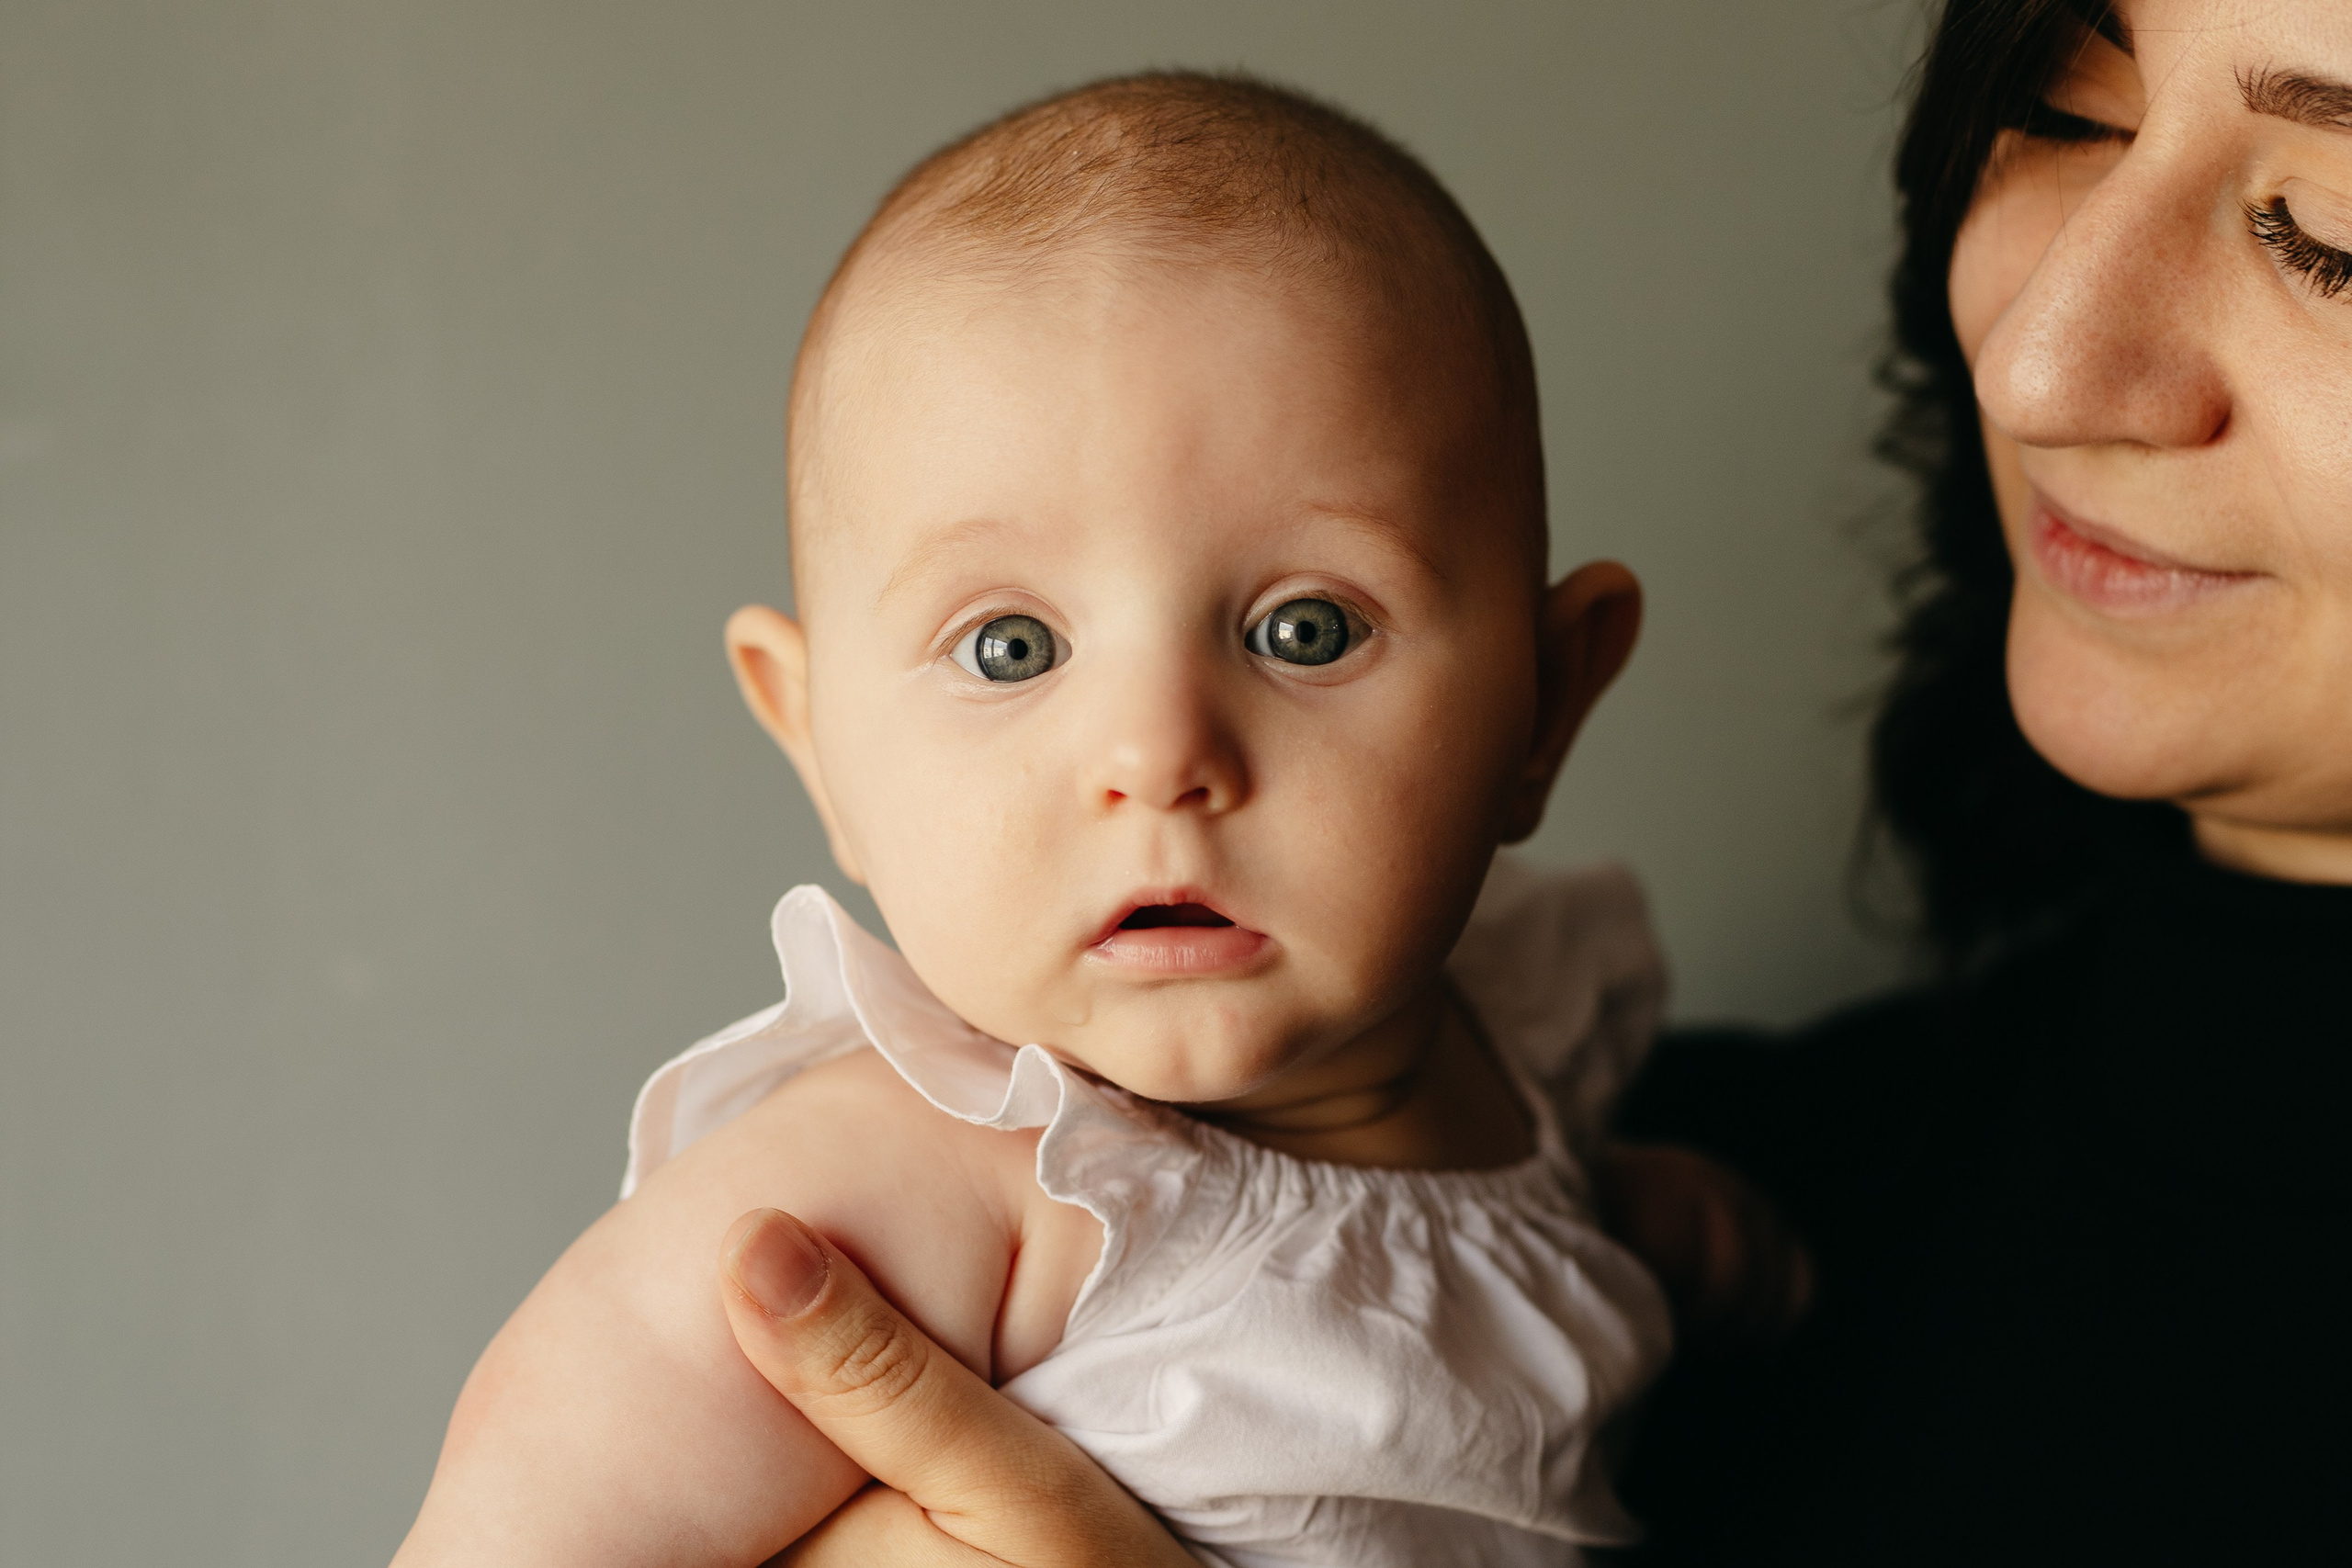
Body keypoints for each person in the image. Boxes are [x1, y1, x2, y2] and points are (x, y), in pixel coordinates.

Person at [713, 0, 2352, 1562]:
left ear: (1551, 700)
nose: (2042, 363)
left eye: (2334, 229)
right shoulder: (1668, 1188)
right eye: (2070, 115)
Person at [390, 73, 1807, 1568]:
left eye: (1308, 630)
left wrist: (1651, 1231)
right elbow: (524, 1521)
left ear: (1547, 705)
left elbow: (1466, 1302)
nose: (1158, 756)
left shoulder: (1525, 1046)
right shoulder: (926, 1178)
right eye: (1011, 648)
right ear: (817, 747)